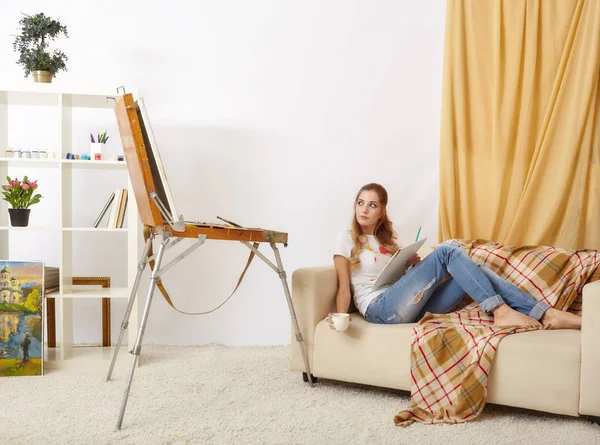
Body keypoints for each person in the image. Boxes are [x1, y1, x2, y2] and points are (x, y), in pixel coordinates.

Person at [328, 183, 583, 330]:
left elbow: (394, 283)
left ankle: (547, 314)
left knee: (478, 268)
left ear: (382, 212)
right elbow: (343, 289)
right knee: (448, 250)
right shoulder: (346, 238)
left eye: (372, 205)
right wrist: (340, 317)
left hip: (408, 307)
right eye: (360, 203)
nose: (364, 209)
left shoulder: (388, 243)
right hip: (379, 309)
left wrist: (409, 269)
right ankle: (500, 310)